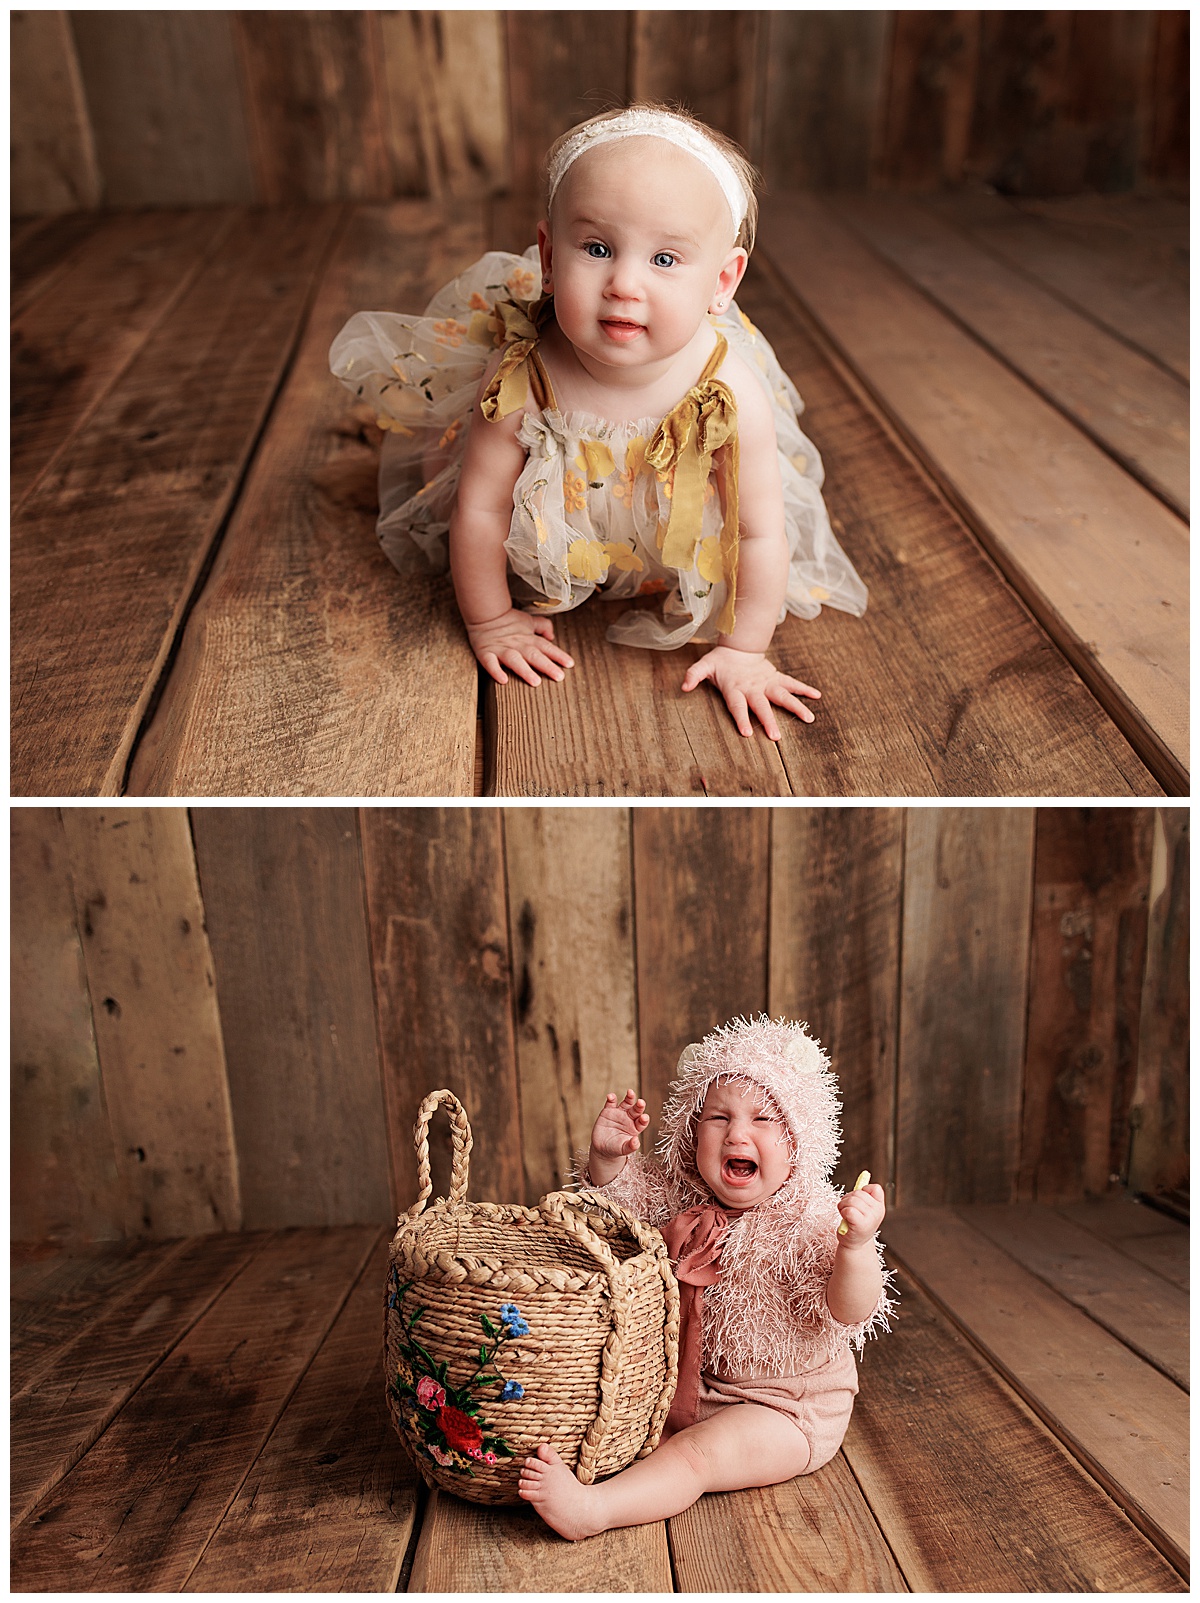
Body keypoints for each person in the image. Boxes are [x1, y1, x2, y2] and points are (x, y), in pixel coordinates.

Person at [330, 105, 866, 741]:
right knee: (448, 470)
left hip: (671, 533)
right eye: (597, 248)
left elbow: (757, 533)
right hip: (557, 523)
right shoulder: (521, 380)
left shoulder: (726, 392)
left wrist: (746, 649)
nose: (624, 284)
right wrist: (491, 619)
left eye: (666, 259)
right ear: (551, 259)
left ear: (723, 282)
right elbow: (482, 511)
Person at [518, 1016, 892, 1540]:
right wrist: (606, 1159)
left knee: (697, 1456)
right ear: (693, 1134)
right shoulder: (680, 1196)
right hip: (690, 1385)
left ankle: (593, 1511)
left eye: (763, 1118)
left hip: (783, 1408)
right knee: (601, 1398)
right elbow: (614, 1215)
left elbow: (851, 1310)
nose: (737, 1133)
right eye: (718, 1117)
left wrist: (854, 1246)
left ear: (799, 1143)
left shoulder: (811, 1221)